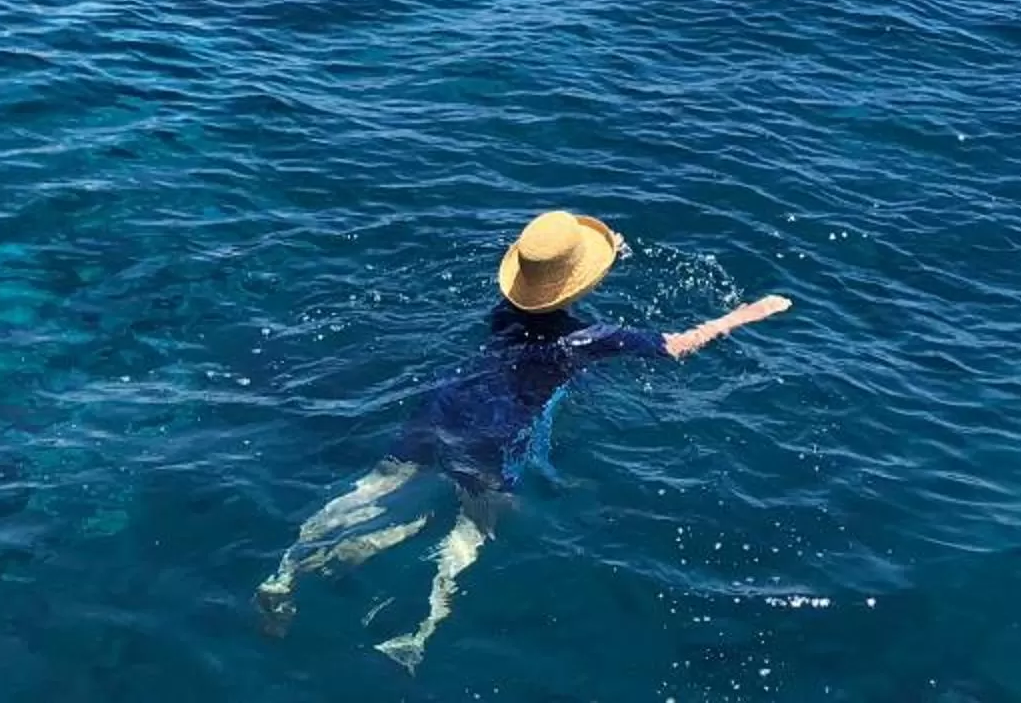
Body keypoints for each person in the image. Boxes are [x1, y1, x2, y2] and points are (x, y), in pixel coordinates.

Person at [257, 209, 793, 673]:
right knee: (472, 528)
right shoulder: (595, 338)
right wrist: (747, 313)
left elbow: (544, 304)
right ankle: (416, 633)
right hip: (497, 434)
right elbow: (679, 345)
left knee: (373, 489)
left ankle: (284, 574)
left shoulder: (502, 312)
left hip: (444, 406)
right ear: (581, 285)